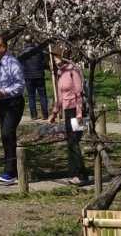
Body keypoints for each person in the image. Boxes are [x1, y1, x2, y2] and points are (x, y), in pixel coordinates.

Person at [0, 35, 26, 183]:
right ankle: (11, 168)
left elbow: (20, 84)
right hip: (1, 103)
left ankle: (10, 171)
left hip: (13, 102)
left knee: (7, 132)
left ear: (3, 47)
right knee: (5, 135)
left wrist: (4, 92)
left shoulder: (12, 63)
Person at [49, 49, 88, 185]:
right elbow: (60, 96)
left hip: (76, 110)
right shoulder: (60, 72)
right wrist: (54, 112)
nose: (55, 59)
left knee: (73, 142)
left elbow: (79, 93)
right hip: (67, 110)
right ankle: (75, 173)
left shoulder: (73, 71)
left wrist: (79, 113)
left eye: (57, 56)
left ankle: (81, 175)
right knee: (71, 143)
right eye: (53, 57)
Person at [17, 38, 51, 120]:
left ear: (25, 42)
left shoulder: (23, 53)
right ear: (32, 41)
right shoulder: (38, 51)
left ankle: (33, 115)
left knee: (31, 96)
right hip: (39, 76)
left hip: (28, 77)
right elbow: (43, 60)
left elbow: (21, 64)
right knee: (42, 95)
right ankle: (45, 114)